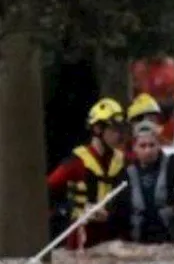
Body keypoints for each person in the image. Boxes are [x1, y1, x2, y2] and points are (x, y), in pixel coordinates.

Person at [46, 98, 130, 249]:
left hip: (112, 240)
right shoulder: (76, 163)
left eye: (121, 129)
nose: (119, 135)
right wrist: (70, 209)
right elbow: (45, 191)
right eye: (114, 129)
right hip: (80, 240)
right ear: (98, 129)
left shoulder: (123, 161)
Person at [119, 121, 174, 244]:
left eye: (152, 145)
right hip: (140, 245)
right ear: (135, 148)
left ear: (159, 145)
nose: (148, 150)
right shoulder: (126, 175)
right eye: (142, 146)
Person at [129, 55, 174, 145]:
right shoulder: (140, 69)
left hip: (168, 123)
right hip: (145, 120)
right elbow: (134, 96)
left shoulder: (173, 69)